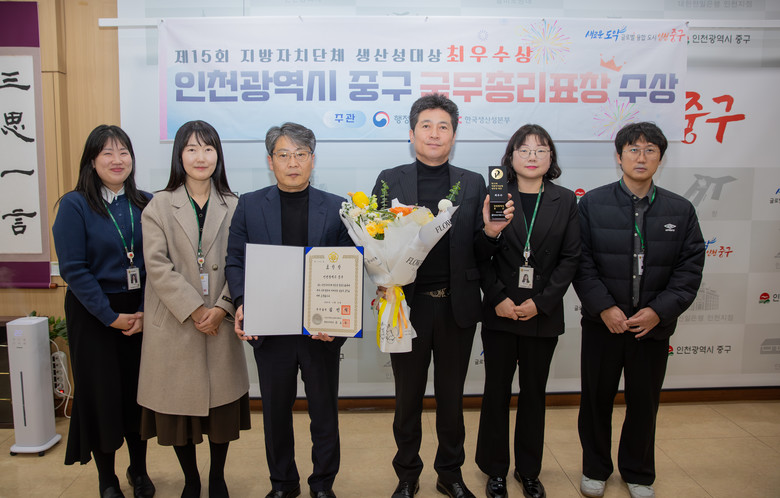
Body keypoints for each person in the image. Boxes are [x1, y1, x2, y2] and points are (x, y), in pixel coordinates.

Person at [372, 94, 502, 498]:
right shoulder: (389, 179)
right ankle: (407, 474)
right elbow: (374, 237)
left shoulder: (473, 182)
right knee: (407, 398)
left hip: (456, 307)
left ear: (454, 134)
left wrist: (491, 233)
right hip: (406, 308)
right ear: (411, 134)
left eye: (443, 126)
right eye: (426, 125)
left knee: (451, 398)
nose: (434, 133)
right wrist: (380, 276)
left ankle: (450, 473)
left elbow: (481, 252)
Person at [573, 122, 705, 498]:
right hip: (603, 325)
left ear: (660, 158)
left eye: (650, 150)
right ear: (619, 157)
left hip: (651, 328)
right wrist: (604, 308)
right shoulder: (592, 204)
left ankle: (638, 472)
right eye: (633, 149)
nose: (641, 157)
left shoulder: (680, 209)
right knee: (595, 401)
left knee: (644, 403)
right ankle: (595, 469)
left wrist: (658, 312)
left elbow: (689, 270)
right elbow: (580, 262)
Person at [225, 122, 352, 498]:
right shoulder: (249, 204)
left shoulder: (336, 207)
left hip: (320, 330)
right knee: (275, 414)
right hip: (271, 328)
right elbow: (235, 260)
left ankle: (322, 484)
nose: (292, 162)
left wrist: (339, 322)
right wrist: (242, 302)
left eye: (300, 154)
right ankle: (283, 483)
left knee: (324, 413)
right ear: (270, 161)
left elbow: (349, 265)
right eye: (283, 155)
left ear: (313, 160)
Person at [137, 120, 250, 498]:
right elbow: (157, 266)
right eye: (191, 149)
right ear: (179, 155)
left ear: (218, 155)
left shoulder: (235, 205)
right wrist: (195, 309)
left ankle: (217, 477)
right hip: (176, 322)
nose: (201, 157)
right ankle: (190, 479)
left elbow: (242, 261)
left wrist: (221, 308)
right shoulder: (158, 205)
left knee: (221, 411)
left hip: (221, 320)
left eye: (208, 148)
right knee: (177, 412)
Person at [475, 125, 580, 498]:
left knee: (534, 393)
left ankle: (529, 471)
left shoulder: (565, 200)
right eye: (524, 149)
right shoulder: (496, 195)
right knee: (496, 393)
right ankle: (495, 470)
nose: (532, 156)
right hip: (500, 311)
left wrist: (541, 302)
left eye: (541, 149)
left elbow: (571, 258)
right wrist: (498, 298)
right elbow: (480, 255)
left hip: (542, 313)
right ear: (511, 156)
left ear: (551, 157)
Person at [53, 125, 154, 498]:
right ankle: (107, 477)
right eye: (108, 153)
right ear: (92, 160)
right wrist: (109, 316)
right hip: (93, 312)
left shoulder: (146, 202)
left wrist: (142, 311)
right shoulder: (75, 205)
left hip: (140, 312)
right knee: (102, 395)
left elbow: (157, 264)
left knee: (138, 395)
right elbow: (74, 269)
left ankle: (138, 471)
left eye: (123, 152)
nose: (117, 160)